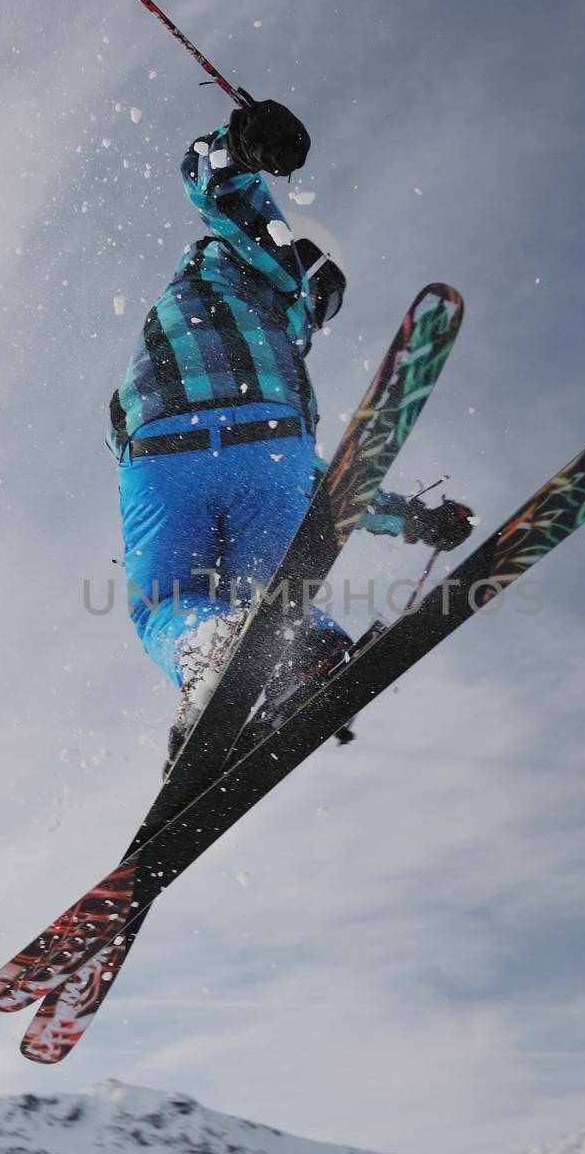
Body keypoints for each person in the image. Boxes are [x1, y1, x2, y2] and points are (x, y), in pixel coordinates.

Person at [109, 98, 473, 760]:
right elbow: (213, 178)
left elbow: (329, 488)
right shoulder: (266, 262)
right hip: (267, 438)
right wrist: (241, 143)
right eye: (326, 293)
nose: (317, 310)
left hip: (159, 444)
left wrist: (413, 520)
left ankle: (214, 648)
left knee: (169, 599)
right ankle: (297, 647)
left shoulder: (236, 308)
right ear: (313, 260)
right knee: (270, 591)